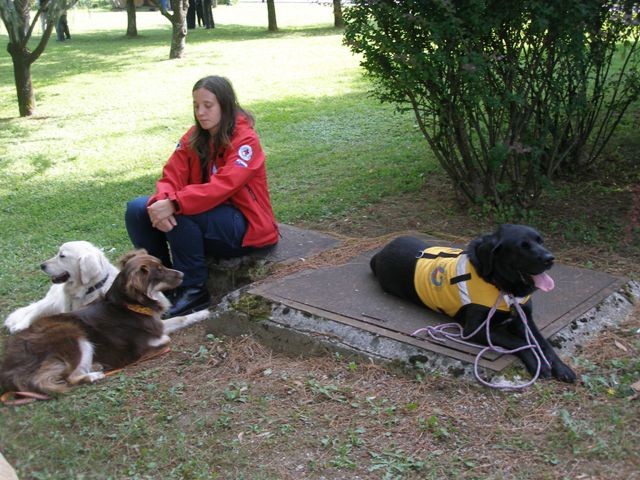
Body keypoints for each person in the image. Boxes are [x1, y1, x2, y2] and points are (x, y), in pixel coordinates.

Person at [125, 76, 279, 317]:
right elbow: (171, 176)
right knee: (137, 209)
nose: (201, 112)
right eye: (196, 106)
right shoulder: (194, 137)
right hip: (206, 218)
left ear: (225, 105)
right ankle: (161, 282)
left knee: (184, 214)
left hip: (244, 228)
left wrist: (175, 204)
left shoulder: (246, 140)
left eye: (208, 105)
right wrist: (160, 203)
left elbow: (223, 185)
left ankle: (193, 290)